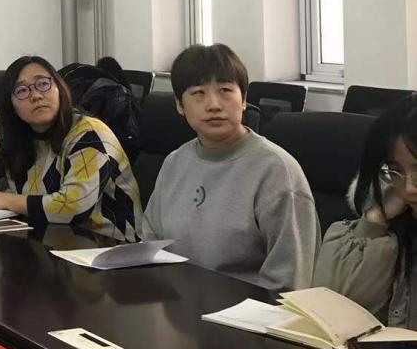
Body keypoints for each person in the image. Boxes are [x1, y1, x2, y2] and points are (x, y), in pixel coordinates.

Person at [141, 44, 318, 290]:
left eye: (225, 90)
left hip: (246, 312)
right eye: (198, 93)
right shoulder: (175, 162)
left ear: (243, 100)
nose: (214, 104)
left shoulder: (276, 171)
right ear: (180, 105)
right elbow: (151, 247)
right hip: (174, 304)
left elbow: (289, 284)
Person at [0, 55, 142, 242]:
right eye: (22, 91)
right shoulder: (22, 135)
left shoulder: (90, 134)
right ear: (11, 105)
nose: (36, 96)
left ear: (60, 88)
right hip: (49, 241)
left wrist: (5, 200)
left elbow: (73, 206)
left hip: (107, 248)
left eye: (43, 84)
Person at [315, 95, 417, 326]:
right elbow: (330, 312)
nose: (408, 188)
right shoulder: (398, 222)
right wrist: (375, 221)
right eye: (396, 171)